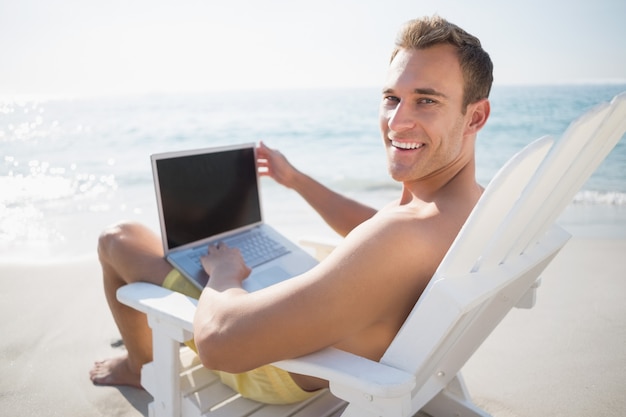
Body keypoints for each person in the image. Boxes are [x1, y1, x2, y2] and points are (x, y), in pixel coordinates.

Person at [90, 15, 492, 404]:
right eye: (391, 98)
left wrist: (226, 273)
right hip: (322, 332)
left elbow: (218, 343)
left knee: (120, 239)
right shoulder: (465, 207)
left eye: (426, 101)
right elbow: (375, 226)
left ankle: (137, 365)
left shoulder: (402, 237)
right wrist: (296, 179)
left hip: (273, 370)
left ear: (475, 116)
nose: (397, 121)